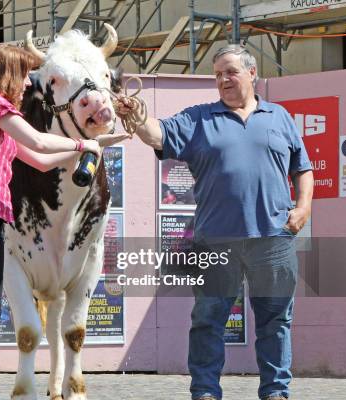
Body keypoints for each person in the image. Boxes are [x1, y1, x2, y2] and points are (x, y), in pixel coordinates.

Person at [118, 45, 314, 400]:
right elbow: (156, 134)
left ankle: (276, 392)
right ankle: (206, 391)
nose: (223, 79)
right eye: (218, 74)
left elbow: (303, 167)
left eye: (231, 72)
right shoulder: (198, 118)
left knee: (276, 322)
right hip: (215, 242)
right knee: (208, 321)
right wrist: (134, 115)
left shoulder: (280, 117)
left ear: (252, 74)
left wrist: (302, 209)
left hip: (273, 240)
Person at [0, 43, 129, 400]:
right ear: (7, 74)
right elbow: (37, 141)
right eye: (25, 78)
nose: (28, 87)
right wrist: (82, 147)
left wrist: (93, 146)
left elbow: (40, 161)